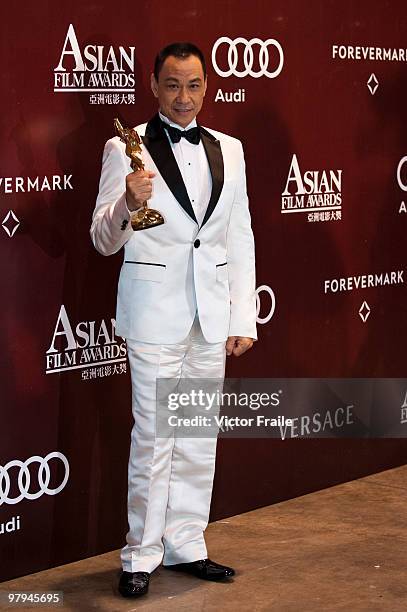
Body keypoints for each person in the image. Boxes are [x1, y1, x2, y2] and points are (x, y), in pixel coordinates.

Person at [91, 42, 257, 599]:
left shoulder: (230, 150)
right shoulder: (125, 147)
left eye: (193, 85)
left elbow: (238, 235)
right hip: (155, 314)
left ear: (206, 87)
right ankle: (140, 554)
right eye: (171, 85)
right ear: (153, 85)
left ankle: (187, 544)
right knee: (156, 436)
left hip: (210, 317)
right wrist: (124, 206)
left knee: (196, 437)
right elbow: (101, 239)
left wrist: (243, 315)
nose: (183, 97)